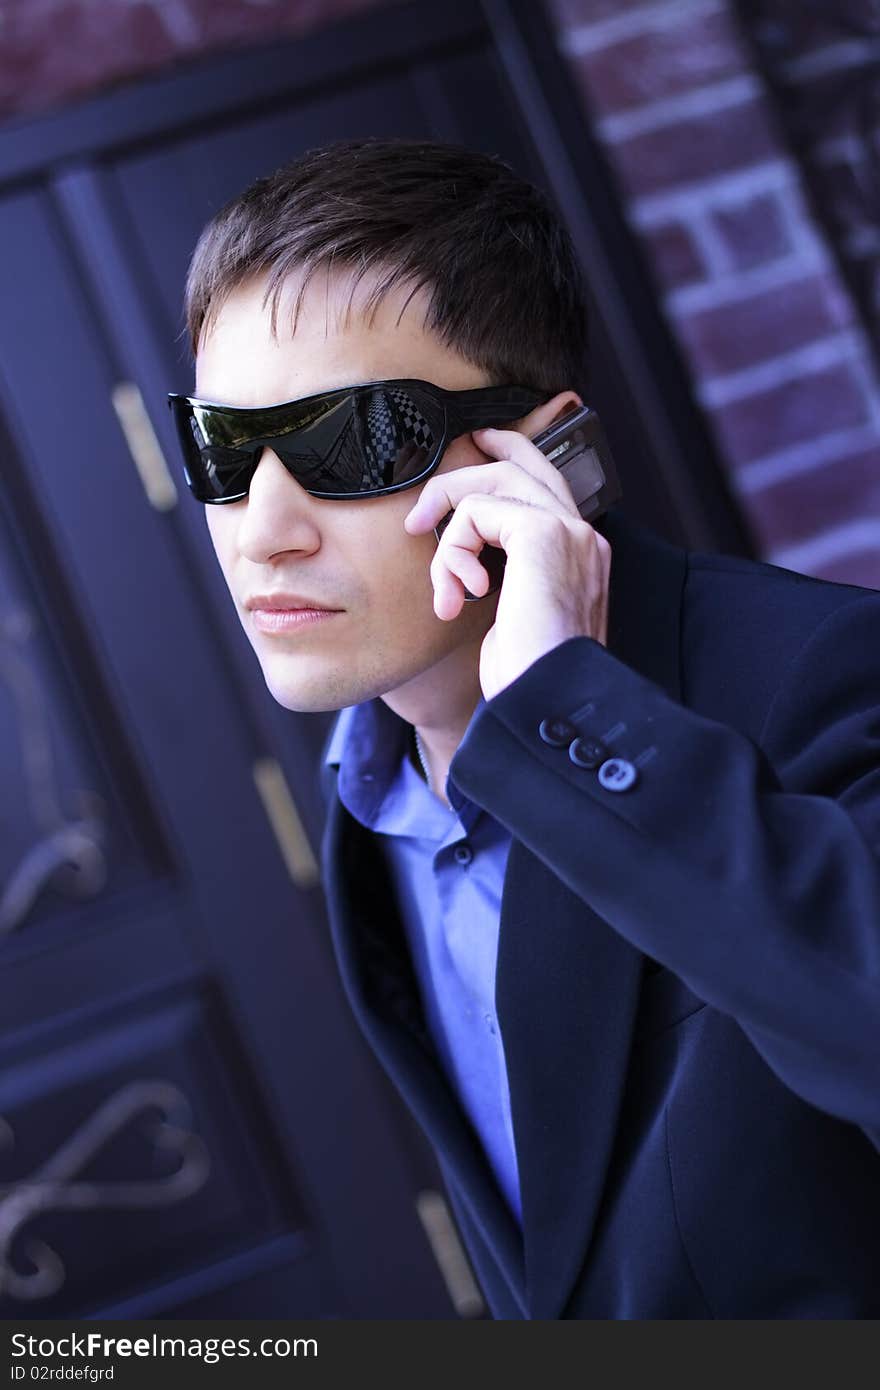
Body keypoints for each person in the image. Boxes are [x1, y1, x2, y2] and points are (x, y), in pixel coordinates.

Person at [169, 136, 880, 1319]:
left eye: (354, 440)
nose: (264, 529)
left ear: (548, 453)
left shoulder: (817, 674)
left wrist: (565, 714)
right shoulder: (368, 791)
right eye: (224, 449)